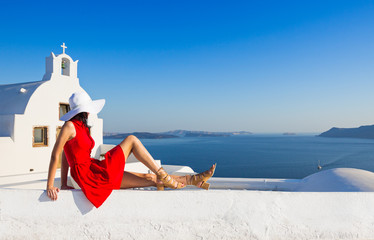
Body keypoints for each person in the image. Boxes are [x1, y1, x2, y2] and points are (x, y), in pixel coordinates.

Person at [46, 91, 216, 208]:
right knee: (132, 140)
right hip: (88, 175)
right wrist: (52, 185)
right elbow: (57, 155)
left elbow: (65, 155)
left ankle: (194, 180)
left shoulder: (82, 127)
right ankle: (165, 174)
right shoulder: (69, 126)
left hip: (95, 168)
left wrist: (63, 183)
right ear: (84, 110)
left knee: (150, 178)